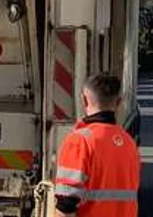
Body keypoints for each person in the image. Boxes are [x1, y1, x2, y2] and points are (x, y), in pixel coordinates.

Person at [54, 73, 140, 217]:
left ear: (84, 100)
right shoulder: (129, 143)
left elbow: (66, 204)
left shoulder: (80, 141)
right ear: (118, 103)